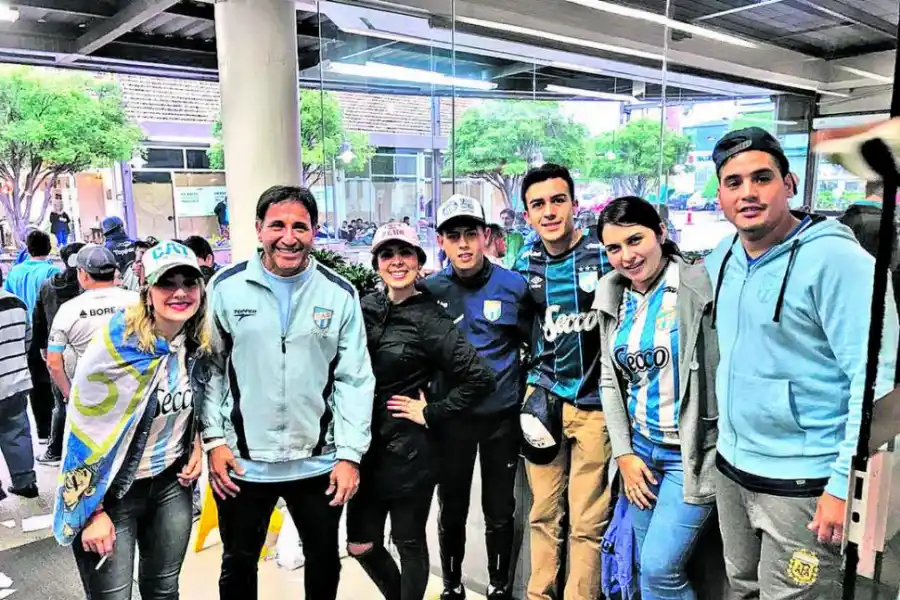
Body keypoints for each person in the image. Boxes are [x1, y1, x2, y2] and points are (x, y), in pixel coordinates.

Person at [706, 127, 899, 599]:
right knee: (743, 589)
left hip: (804, 484)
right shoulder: (723, 256)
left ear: (789, 185)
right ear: (720, 195)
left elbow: (880, 382)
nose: (747, 193)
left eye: (761, 178)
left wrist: (840, 485)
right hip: (733, 469)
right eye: (733, 182)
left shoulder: (838, 261)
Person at [201, 185, 376, 600]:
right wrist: (213, 441)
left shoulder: (338, 293)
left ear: (314, 231)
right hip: (243, 463)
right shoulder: (225, 288)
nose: (289, 237)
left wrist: (350, 454)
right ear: (259, 229)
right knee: (239, 562)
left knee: (324, 564)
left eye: (300, 226)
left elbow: (354, 378)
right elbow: (209, 370)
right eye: (277, 225)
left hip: (318, 464)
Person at [52, 240, 208, 599]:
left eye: (189, 282)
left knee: (164, 590)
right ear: (147, 290)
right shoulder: (117, 345)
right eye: (167, 283)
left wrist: (197, 444)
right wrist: (90, 512)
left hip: (171, 485)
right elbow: (82, 433)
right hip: (110, 496)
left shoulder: (197, 342)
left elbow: (200, 400)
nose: (180, 292)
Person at [350, 222, 496, 600]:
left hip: (411, 451)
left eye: (405, 254)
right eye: (387, 254)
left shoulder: (431, 319)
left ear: (419, 261)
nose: (396, 262)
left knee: (408, 542)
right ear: (376, 262)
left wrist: (431, 412)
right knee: (360, 544)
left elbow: (479, 379)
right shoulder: (365, 306)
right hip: (364, 447)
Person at [594, 196, 719, 600]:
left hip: (691, 456)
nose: (626, 256)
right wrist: (624, 455)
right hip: (642, 455)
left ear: (661, 233)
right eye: (614, 248)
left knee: (659, 569)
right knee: (642, 566)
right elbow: (611, 382)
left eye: (635, 240)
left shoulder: (698, 285)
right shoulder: (612, 294)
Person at [513, 163, 613, 600]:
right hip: (543, 404)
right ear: (527, 214)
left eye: (558, 200)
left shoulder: (604, 254)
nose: (549, 211)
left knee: (588, 523)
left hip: (595, 407)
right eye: (538, 204)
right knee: (542, 514)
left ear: (574, 203)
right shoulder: (524, 262)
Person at [423, 196, 530, 600]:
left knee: (499, 511)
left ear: (486, 236)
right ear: (441, 242)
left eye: (471, 234)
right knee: (451, 509)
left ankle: (498, 587)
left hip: (500, 418)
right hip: (451, 422)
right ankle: (451, 587)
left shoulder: (514, 287)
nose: (464, 244)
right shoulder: (429, 292)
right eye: (454, 236)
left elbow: (531, 345)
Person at [46, 245, 139, 443]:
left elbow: (53, 361)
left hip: (91, 396)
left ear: (83, 274)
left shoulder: (68, 310)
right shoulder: (138, 301)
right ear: (115, 272)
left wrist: (69, 394)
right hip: (137, 389)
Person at [5, 229, 62, 444]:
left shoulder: (14, 272)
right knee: (53, 380)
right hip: (48, 333)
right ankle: (56, 430)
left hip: (21, 334)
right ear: (49, 248)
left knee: (34, 383)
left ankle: (42, 430)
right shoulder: (51, 271)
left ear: (28, 249)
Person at [33, 241, 85, 466]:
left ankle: (55, 450)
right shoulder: (88, 286)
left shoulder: (48, 286)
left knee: (62, 401)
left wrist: (43, 349)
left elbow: (39, 320)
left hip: (59, 349)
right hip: (87, 348)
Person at [0, 287, 37, 501]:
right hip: (16, 381)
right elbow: (27, 339)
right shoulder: (17, 303)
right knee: (17, 431)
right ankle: (25, 482)